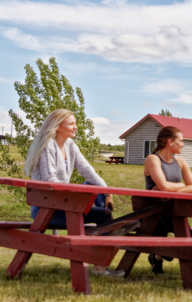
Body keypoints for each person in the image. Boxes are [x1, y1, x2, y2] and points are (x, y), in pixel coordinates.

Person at [24, 108, 129, 277]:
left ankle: (104, 229)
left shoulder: (69, 145)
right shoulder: (47, 146)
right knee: (105, 217)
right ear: (58, 127)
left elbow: (88, 170)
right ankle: (102, 244)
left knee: (95, 188)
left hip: (62, 203)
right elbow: (50, 180)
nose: (76, 127)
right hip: (45, 209)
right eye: (71, 123)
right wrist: (75, 193)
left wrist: (107, 190)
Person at [143, 125, 192, 274]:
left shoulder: (180, 162)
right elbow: (163, 186)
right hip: (152, 211)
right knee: (162, 229)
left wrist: (175, 188)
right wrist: (181, 185)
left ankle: (157, 256)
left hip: (172, 210)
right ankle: (158, 256)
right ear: (170, 142)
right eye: (181, 140)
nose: (183, 144)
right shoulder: (153, 159)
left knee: (188, 236)